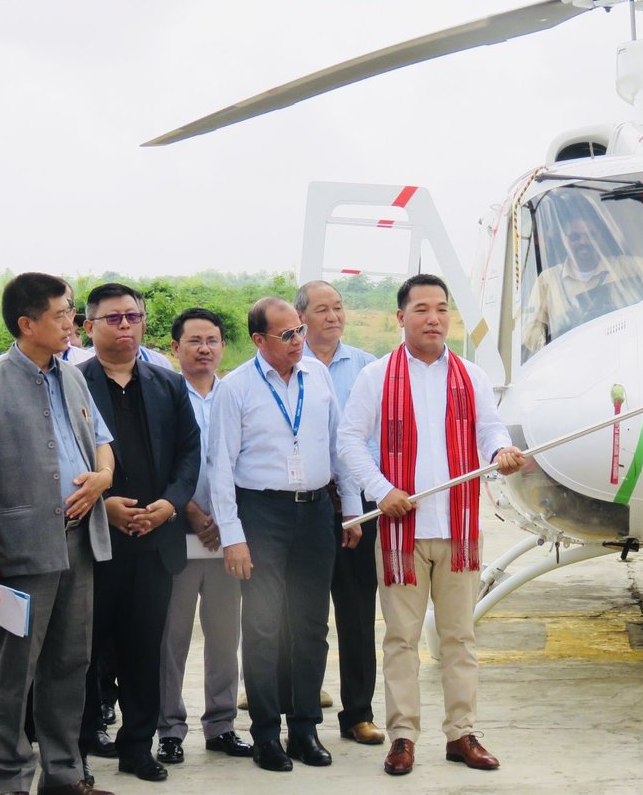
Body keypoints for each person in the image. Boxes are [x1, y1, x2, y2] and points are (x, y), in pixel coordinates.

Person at [338, 273, 526, 776]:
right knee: (401, 640)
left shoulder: (471, 375)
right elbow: (349, 440)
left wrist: (501, 452)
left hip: (458, 529)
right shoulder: (377, 376)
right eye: (421, 309)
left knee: (459, 638)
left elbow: (490, 429)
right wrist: (381, 490)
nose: (434, 318)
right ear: (401, 317)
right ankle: (402, 737)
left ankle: (461, 734)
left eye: (441, 308)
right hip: (401, 534)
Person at [0, 273, 116, 795]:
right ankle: (10, 780)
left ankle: (64, 775)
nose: (72, 321)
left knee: (70, 664)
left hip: (78, 540)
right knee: (15, 672)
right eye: (62, 313)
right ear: (27, 324)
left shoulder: (72, 376)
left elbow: (101, 441)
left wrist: (103, 477)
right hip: (21, 548)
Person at [207, 297, 361, 772]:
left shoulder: (317, 376)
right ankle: (266, 734)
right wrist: (233, 536)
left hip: (315, 511)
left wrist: (351, 509)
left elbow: (338, 445)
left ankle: (305, 728)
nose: (298, 341)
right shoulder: (235, 388)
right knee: (263, 626)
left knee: (312, 625)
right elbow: (220, 466)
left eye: (299, 331)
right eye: (287, 334)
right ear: (259, 340)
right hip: (262, 513)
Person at [79, 284, 201, 784]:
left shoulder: (166, 383)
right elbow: (62, 455)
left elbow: (189, 451)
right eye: (113, 318)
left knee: (144, 649)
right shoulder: (73, 383)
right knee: (84, 652)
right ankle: (78, 749)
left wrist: (170, 504)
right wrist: (102, 506)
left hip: (155, 539)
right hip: (94, 540)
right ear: (89, 326)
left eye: (133, 316)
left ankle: (137, 747)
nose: (125, 325)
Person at [154, 309, 252, 766]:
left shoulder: (236, 394)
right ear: (175, 348)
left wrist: (226, 522)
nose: (204, 349)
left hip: (228, 537)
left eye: (212, 340)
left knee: (224, 637)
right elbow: (158, 462)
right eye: (194, 341)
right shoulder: (164, 396)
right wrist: (191, 511)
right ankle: (170, 728)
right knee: (171, 638)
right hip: (180, 533)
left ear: (223, 346)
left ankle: (221, 725)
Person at [294, 281, 383, 746]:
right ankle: (302, 713)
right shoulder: (289, 364)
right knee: (303, 615)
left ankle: (358, 714)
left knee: (356, 612)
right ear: (300, 318)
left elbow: (376, 437)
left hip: (358, 505)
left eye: (339, 308)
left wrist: (366, 495)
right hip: (304, 503)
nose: (333, 317)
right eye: (322, 309)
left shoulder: (368, 366)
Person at [522, 191, 643, 352]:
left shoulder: (622, 267)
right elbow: (530, 334)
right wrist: (561, 345)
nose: (583, 242)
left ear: (600, 237)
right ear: (563, 239)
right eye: (575, 237)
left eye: (590, 235)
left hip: (622, 355)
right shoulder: (548, 280)